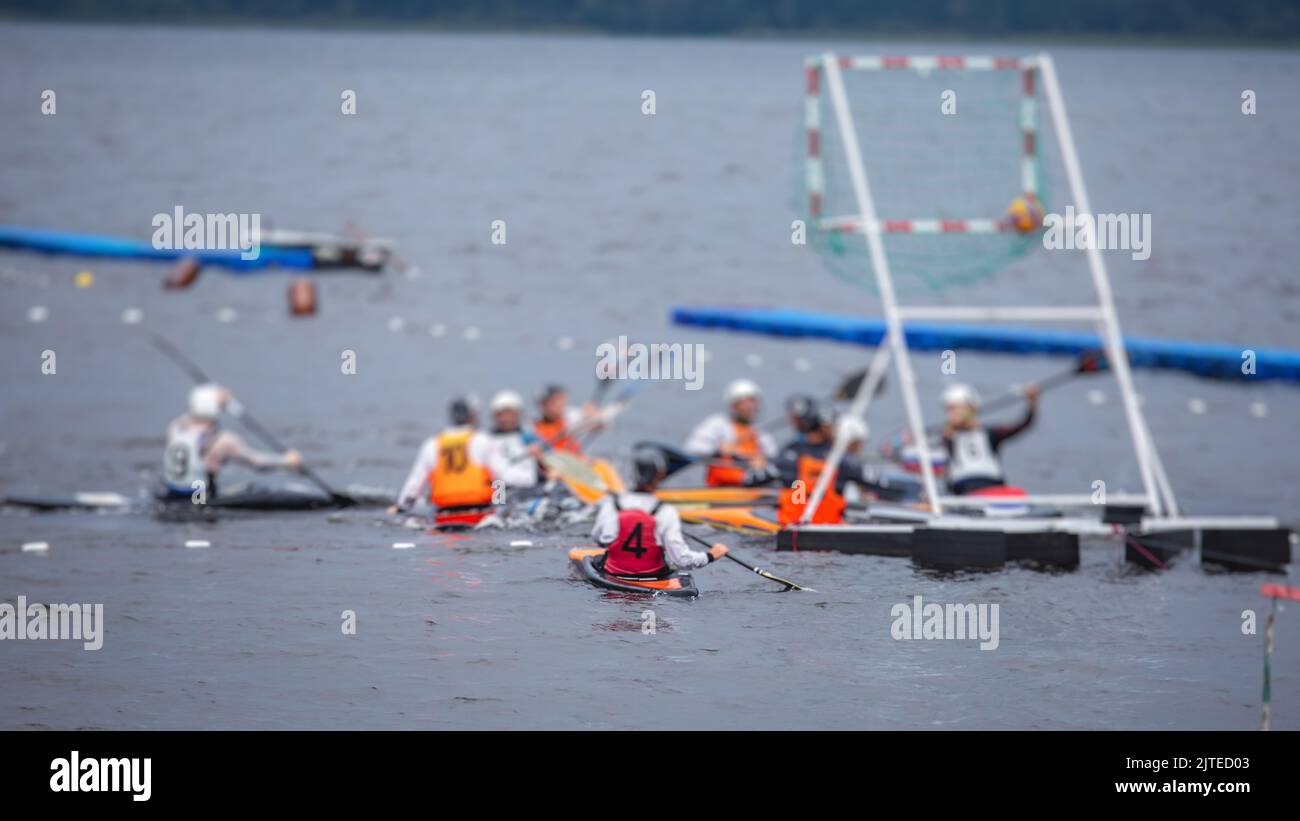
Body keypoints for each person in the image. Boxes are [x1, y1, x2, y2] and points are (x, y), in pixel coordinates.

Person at [390, 396, 535, 523]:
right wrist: (530, 478)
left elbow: (413, 487)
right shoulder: (482, 440)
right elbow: (502, 478)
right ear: (472, 416)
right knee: (499, 485)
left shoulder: (432, 444)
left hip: (443, 515)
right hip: (479, 514)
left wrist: (401, 508)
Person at [592, 447, 727, 576]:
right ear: (659, 476)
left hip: (613, 575)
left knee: (597, 558)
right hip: (653, 577)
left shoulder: (612, 504)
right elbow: (683, 561)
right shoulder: (665, 511)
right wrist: (711, 555)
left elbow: (599, 539)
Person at [161, 383, 301, 499]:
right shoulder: (224, 440)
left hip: (172, 495)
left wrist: (212, 398)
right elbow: (257, 462)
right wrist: (287, 461)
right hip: (199, 500)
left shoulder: (175, 428)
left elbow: (191, 415)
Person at [774, 399, 870, 525]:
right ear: (824, 427)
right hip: (819, 525)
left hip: (795, 525)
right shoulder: (841, 460)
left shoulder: (790, 453)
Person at [940, 382, 1038, 495]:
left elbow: (1023, 424)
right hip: (963, 491)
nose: (953, 413)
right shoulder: (947, 436)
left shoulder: (991, 433)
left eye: (956, 408)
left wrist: (1032, 402)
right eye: (949, 410)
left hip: (993, 488)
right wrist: (949, 431)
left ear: (972, 409)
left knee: (1018, 494)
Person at [684, 379, 777, 486]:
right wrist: (718, 449)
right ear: (733, 405)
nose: (750, 406)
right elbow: (691, 449)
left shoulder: (760, 433)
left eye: (753, 401)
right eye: (744, 402)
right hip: (721, 490)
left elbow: (774, 457)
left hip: (751, 489)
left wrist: (762, 460)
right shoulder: (717, 424)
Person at [486, 390, 541, 489]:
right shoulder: (486, 440)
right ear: (495, 416)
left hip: (529, 489)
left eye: (511, 414)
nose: (507, 418)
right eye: (502, 414)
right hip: (500, 489)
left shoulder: (529, 436)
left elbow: (549, 461)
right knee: (498, 502)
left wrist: (540, 458)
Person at [533, 384, 602, 455]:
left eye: (561, 399)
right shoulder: (534, 428)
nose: (560, 404)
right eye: (554, 401)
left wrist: (594, 416)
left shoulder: (570, 416)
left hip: (577, 461)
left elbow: (600, 425)